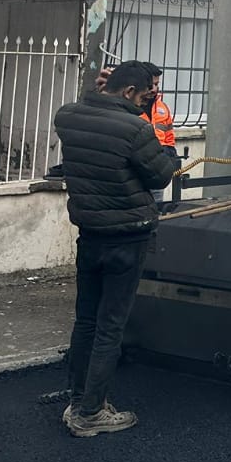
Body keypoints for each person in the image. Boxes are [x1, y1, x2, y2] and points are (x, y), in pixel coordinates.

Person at [52, 62, 181, 437]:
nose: (146, 103)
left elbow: (90, 111)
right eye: (143, 96)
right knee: (110, 326)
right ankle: (92, 413)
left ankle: (78, 401)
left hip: (89, 233)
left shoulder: (68, 116)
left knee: (86, 321)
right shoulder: (136, 128)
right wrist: (163, 149)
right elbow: (160, 173)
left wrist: (102, 94)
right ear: (129, 94)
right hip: (127, 236)